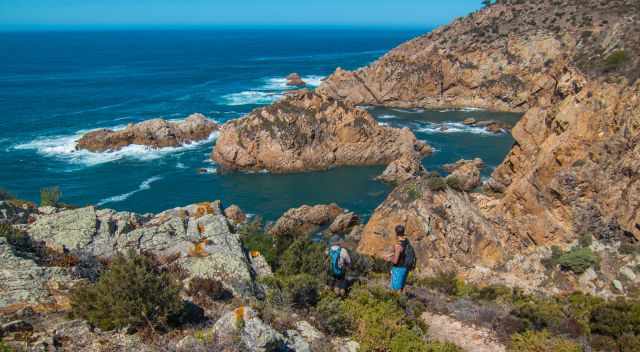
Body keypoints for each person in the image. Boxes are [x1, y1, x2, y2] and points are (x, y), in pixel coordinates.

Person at [385, 225, 416, 292]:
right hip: (406, 267)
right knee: (401, 287)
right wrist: (392, 254)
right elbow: (403, 252)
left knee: (395, 289)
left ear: (396, 233)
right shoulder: (406, 241)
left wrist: (389, 259)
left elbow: (395, 261)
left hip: (399, 268)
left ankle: (395, 302)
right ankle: (401, 301)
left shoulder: (398, 245)